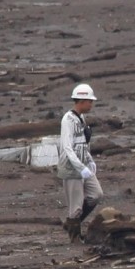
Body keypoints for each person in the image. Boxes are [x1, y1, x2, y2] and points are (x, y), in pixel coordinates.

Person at [58, 83, 102, 241]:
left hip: (83, 164)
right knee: (75, 205)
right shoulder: (68, 120)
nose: (91, 104)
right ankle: (74, 235)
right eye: (89, 101)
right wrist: (79, 167)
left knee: (96, 194)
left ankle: (71, 224)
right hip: (71, 166)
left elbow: (83, 143)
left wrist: (89, 161)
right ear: (82, 101)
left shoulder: (81, 118)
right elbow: (67, 147)